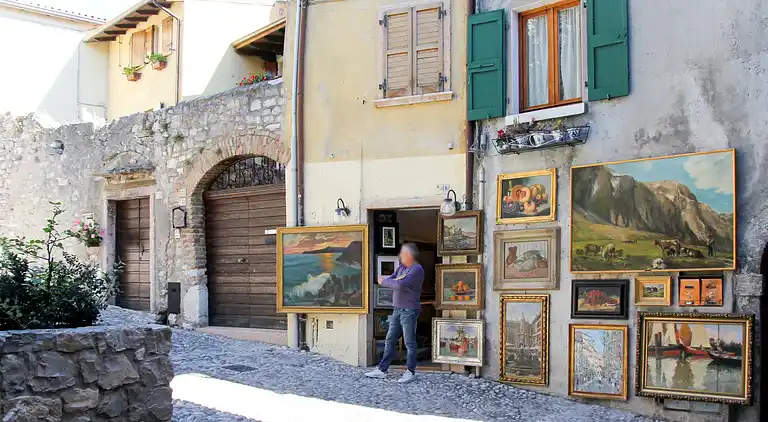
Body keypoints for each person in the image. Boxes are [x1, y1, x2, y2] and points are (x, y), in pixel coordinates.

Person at [365, 243, 424, 383]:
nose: (400, 256)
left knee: (409, 342)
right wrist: (390, 281)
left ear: (409, 255)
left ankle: (410, 371)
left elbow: (399, 284)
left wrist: (387, 282)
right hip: (397, 309)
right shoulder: (402, 268)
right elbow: (392, 280)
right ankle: (382, 370)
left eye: (402, 254)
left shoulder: (416, 269)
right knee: (390, 339)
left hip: (409, 310)